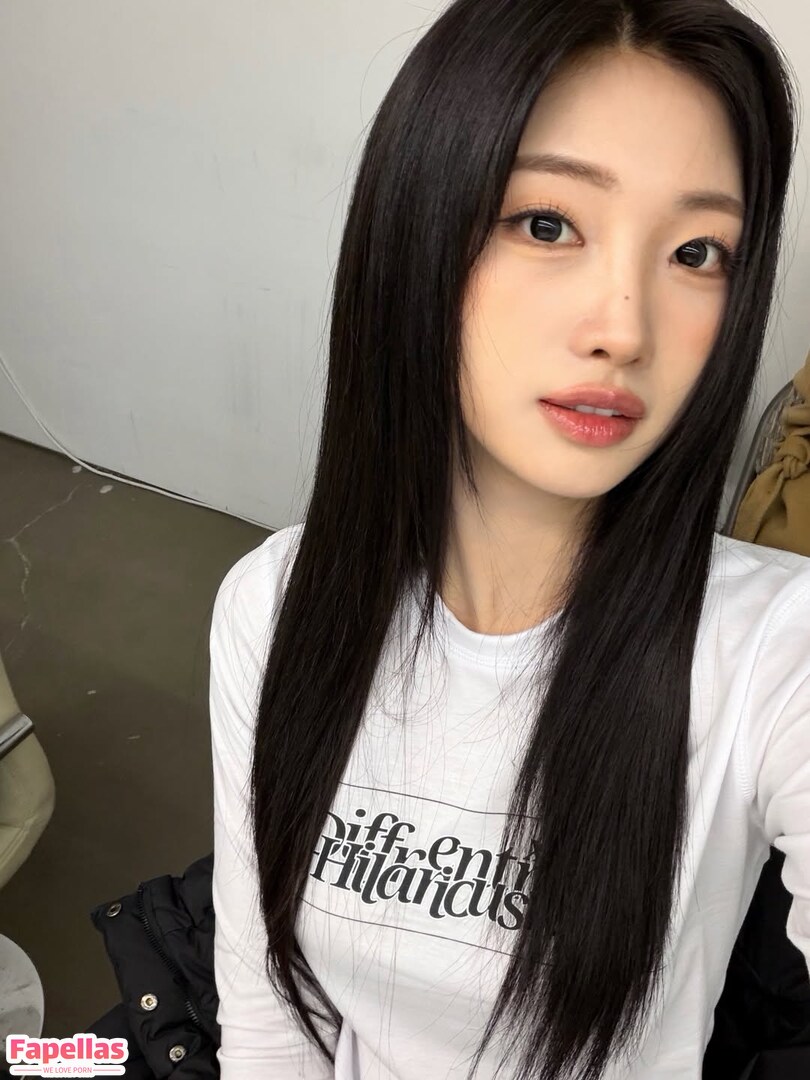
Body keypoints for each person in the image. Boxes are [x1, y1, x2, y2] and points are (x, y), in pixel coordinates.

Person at [208, 1, 808, 1078]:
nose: (624, 328)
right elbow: (267, 1012)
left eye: (697, 251)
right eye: (546, 224)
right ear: (416, 232)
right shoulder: (275, 602)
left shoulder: (774, 651)